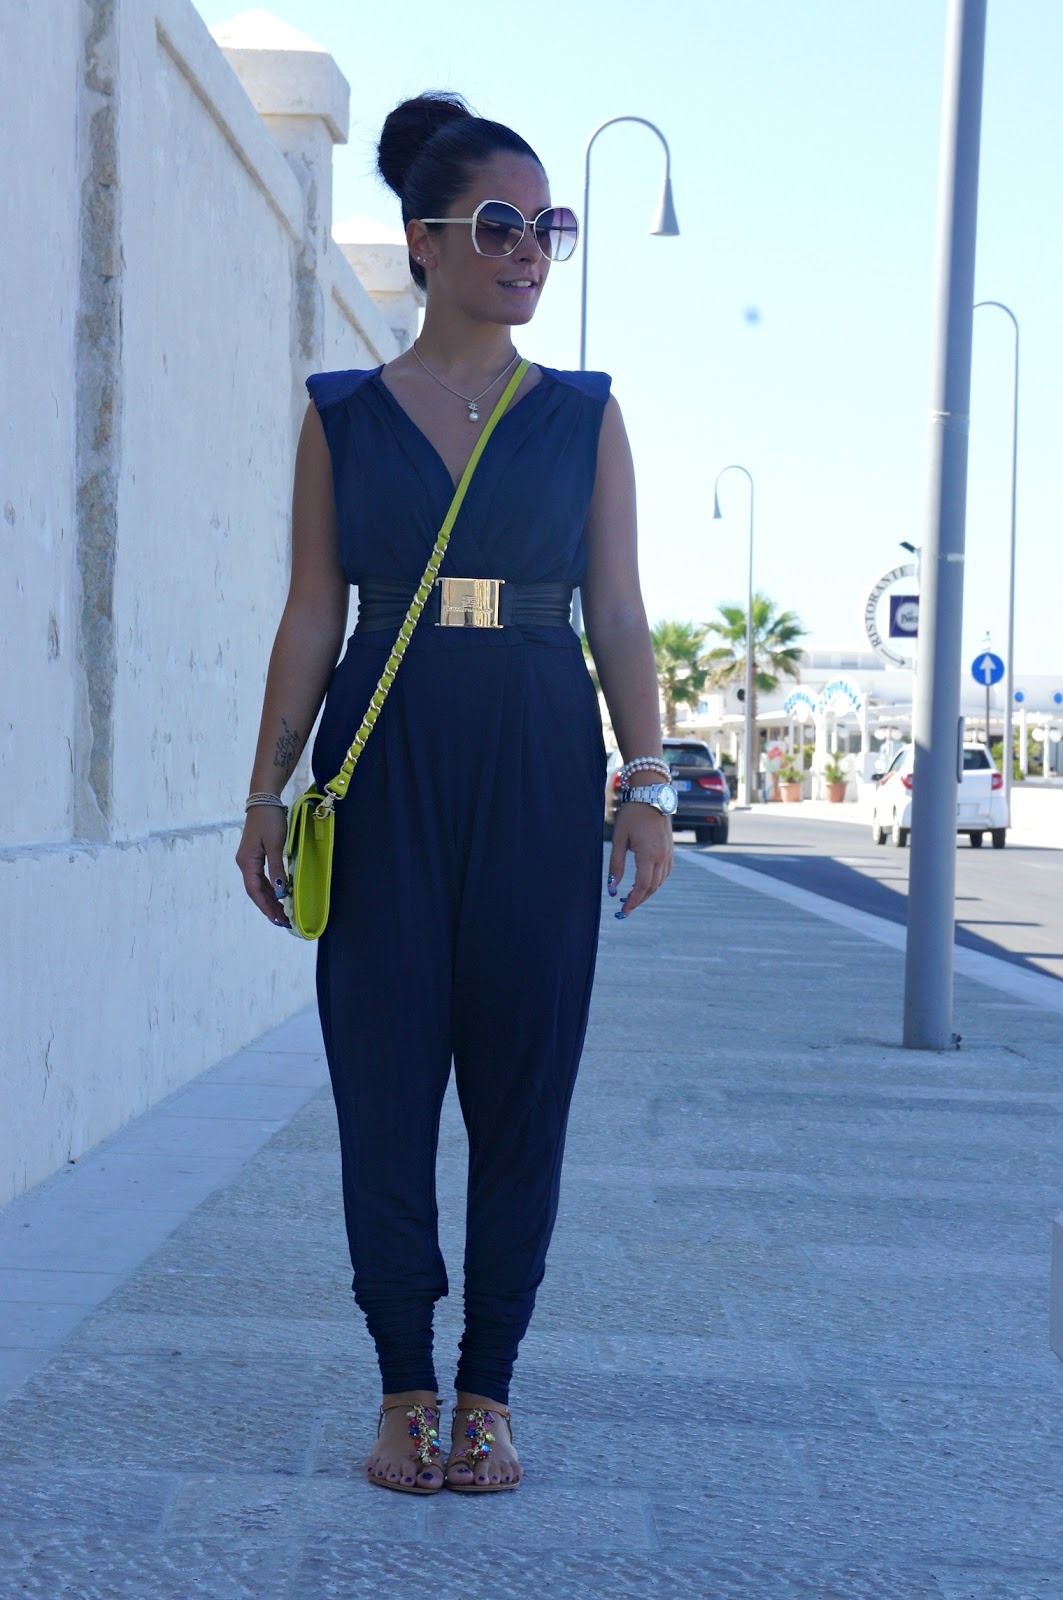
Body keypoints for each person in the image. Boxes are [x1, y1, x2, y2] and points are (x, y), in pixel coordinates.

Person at [235, 91, 674, 1496]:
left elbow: (619, 612)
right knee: (382, 1082)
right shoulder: (342, 417)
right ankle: (402, 1390)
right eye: (499, 223)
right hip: (385, 761)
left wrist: (649, 782)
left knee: (524, 1085)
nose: (531, 248)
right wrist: (265, 792)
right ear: (422, 241)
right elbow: (314, 611)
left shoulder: (587, 418)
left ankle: (489, 1391)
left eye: (551, 225)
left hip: (540, 756)